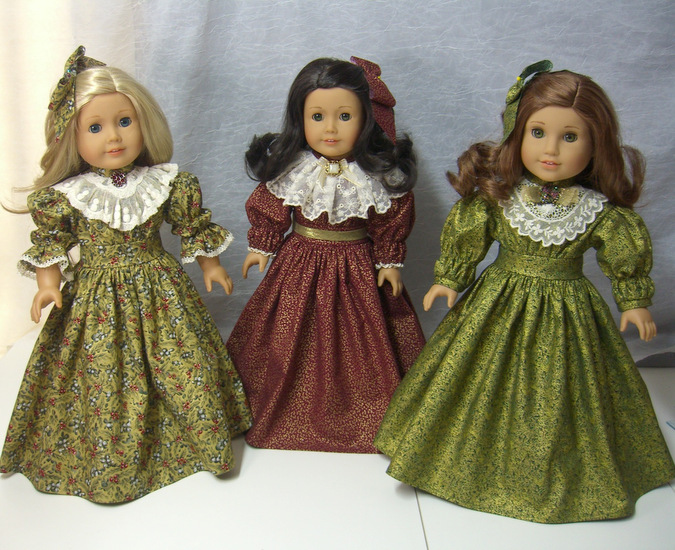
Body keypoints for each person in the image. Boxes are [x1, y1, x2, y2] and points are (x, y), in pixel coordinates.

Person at [374, 60, 675, 523]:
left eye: (570, 137)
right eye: (538, 133)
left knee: (566, 390)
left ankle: (556, 471)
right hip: (496, 301)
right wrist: (449, 279)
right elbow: (470, 238)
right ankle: (457, 458)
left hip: (569, 308)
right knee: (471, 378)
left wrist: (634, 302)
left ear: (596, 144)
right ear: (517, 134)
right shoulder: (499, 197)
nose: (551, 149)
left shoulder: (597, 210)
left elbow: (622, 252)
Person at [0, 46, 252, 503]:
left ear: (143, 122)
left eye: (124, 121)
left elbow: (190, 227)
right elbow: (51, 244)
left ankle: (201, 433)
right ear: (70, 137)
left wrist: (212, 265)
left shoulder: (166, 182)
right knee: (101, 374)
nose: (113, 137)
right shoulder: (66, 195)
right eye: (95, 128)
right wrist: (47, 286)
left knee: (182, 362)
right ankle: (110, 458)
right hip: (95, 299)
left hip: (161, 290)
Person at [227, 57, 425, 453]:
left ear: (366, 119)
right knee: (287, 333)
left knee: (362, 344)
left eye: (344, 116)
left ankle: (360, 415)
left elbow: (390, 218)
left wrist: (389, 261)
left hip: (358, 267)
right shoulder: (293, 169)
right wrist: (261, 245)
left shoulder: (375, 174)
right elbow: (270, 205)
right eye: (317, 116)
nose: (330, 128)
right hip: (300, 263)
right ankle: (284, 408)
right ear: (300, 119)